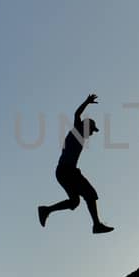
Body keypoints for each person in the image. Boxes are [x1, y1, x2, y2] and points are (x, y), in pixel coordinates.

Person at [39, 93, 113, 233]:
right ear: (86, 127)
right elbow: (77, 114)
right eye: (91, 130)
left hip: (63, 171)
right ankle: (96, 225)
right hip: (67, 171)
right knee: (90, 194)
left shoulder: (79, 136)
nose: (91, 134)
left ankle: (46, 210)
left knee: (74, 202)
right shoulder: (78, 131)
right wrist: (86, 102)